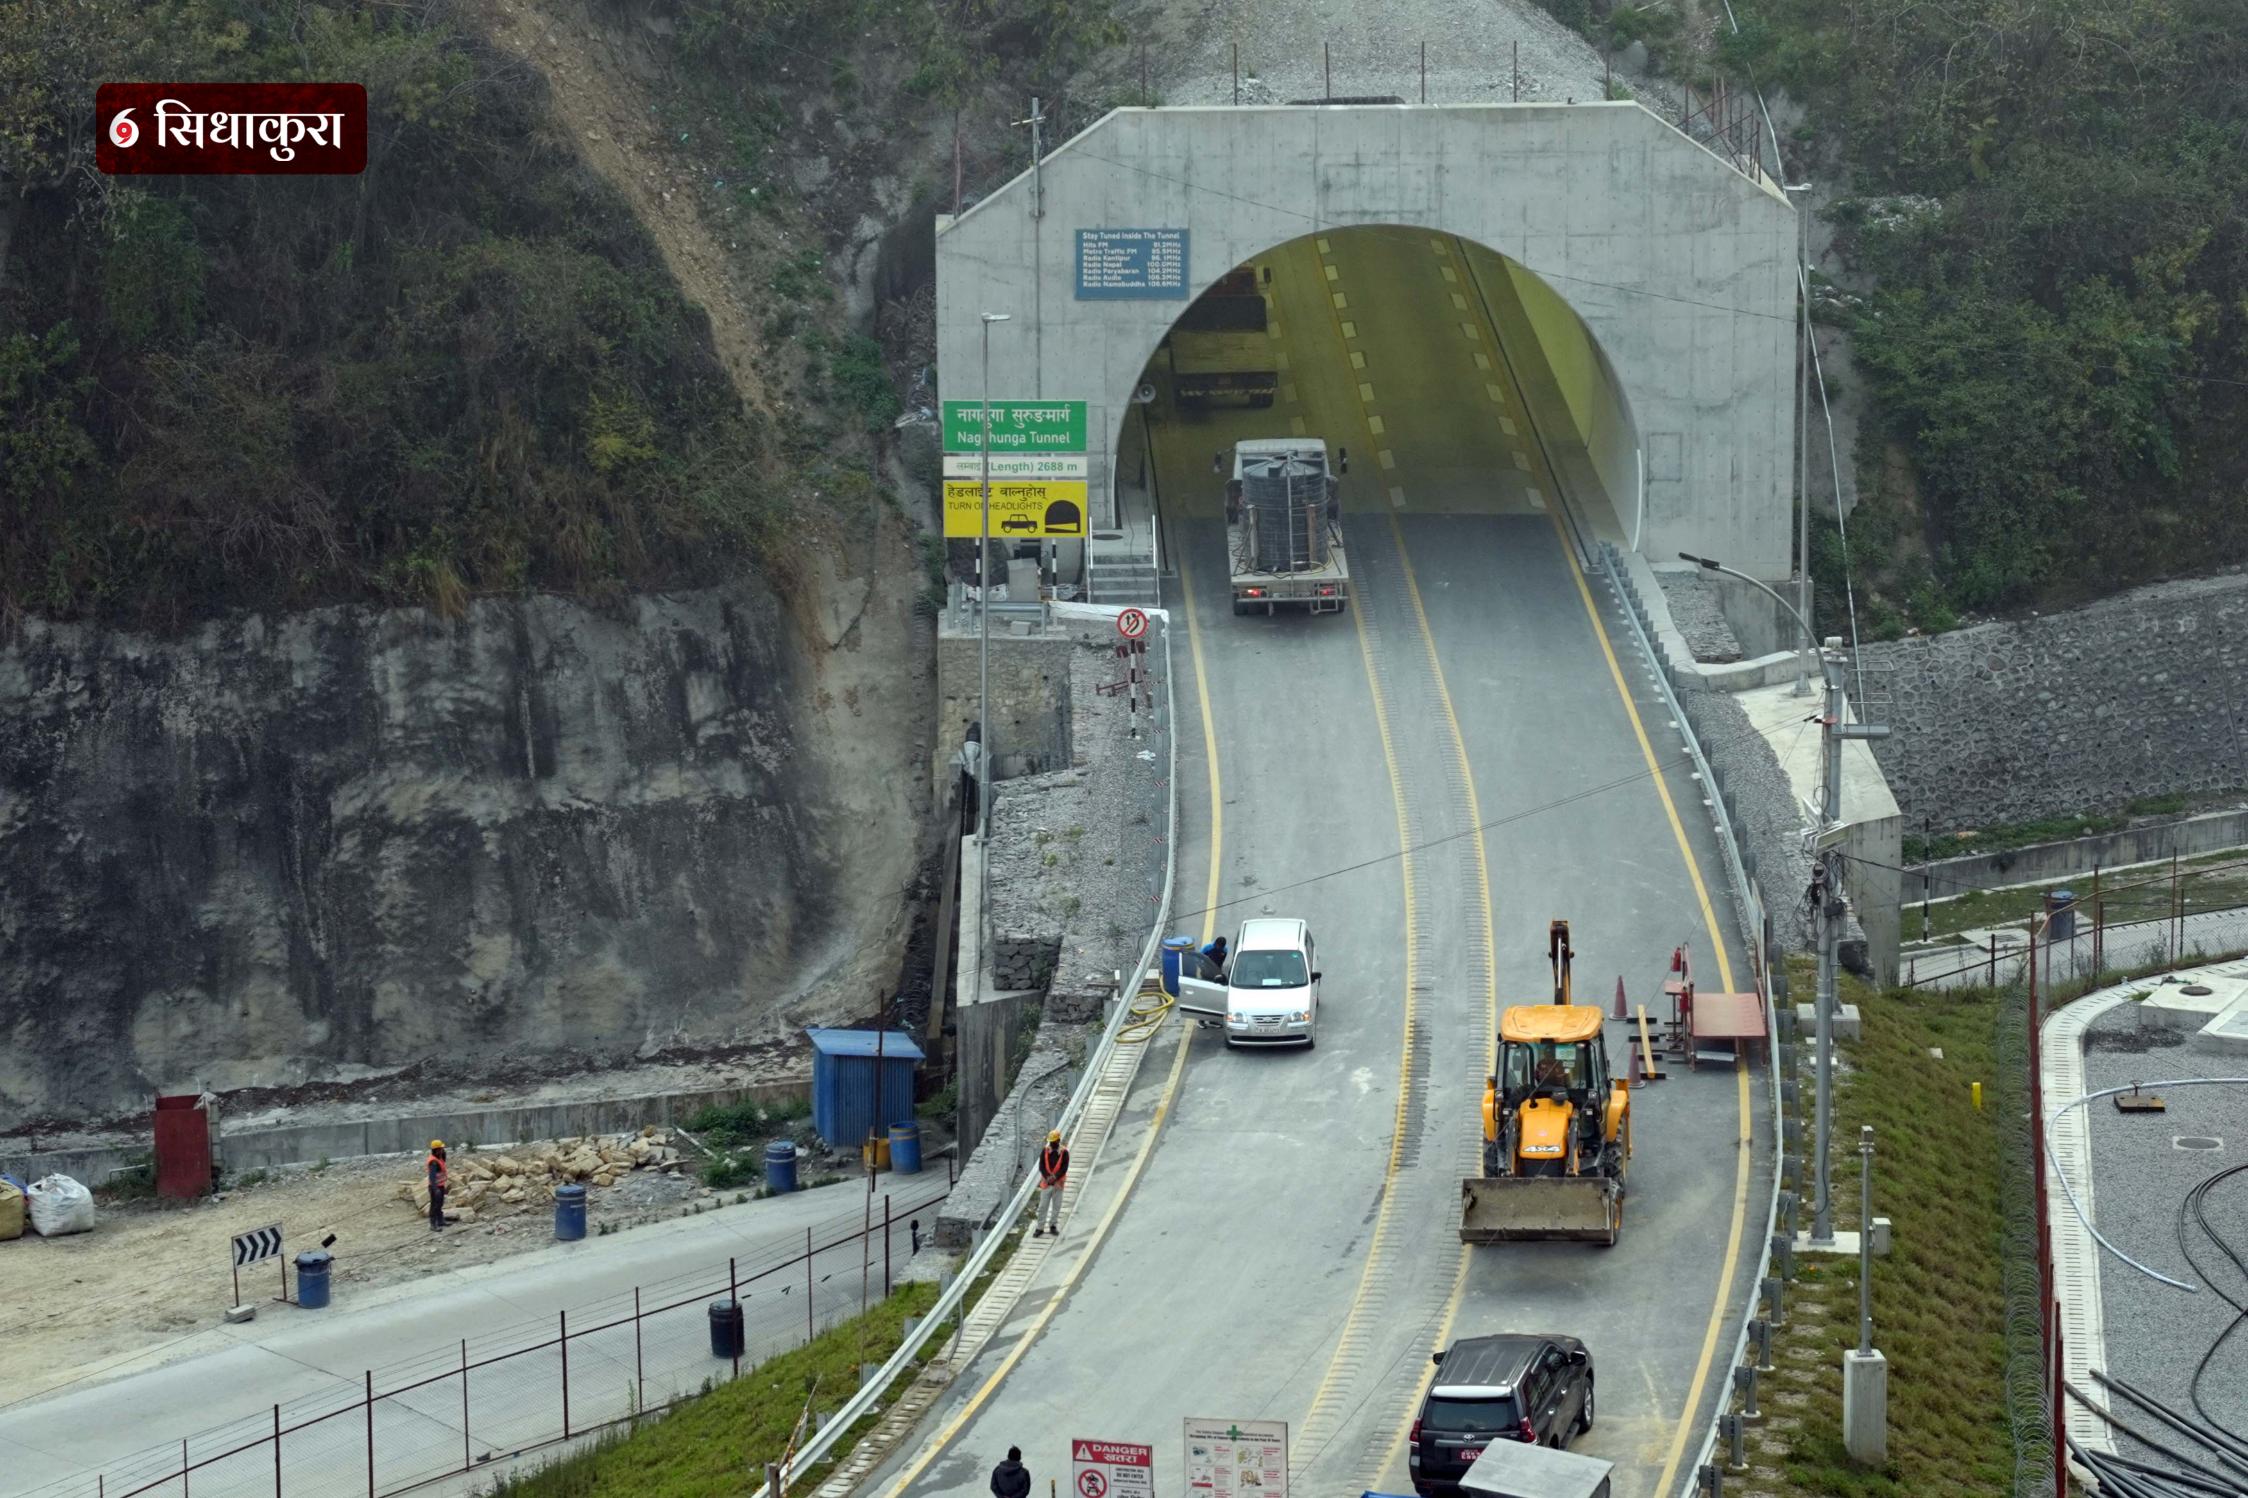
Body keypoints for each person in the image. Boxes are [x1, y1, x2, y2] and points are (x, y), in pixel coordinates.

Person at [1034, 1129, 1070, 1237]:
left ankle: (1053, 1226)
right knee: (1042, 1206)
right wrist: (1047, 1177)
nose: (1051, 1144)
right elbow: (1041, 1166)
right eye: (1050, 1142)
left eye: (1053, 1142)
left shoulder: (1064, 1152)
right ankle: (1040, 1228)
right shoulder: (1045, 1151)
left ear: (1058, 1140)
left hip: (1058, 1184)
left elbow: (1064, 1168)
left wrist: (1055, 1177)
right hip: (1046, 1184)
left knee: (1056, 1206)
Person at [426, 1140, 451, 1232]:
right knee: (434, 1205)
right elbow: (432, 1177)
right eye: (441, 1149)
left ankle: (440, 1221)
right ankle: (433, 1224)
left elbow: (444, 1159)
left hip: (440, 1185)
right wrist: (435, 1189)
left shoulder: (439, 1157)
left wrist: (443, 1152)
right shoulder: (433, 1162)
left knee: (440, 1204)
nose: (442, 1150)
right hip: (435, 1187)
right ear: (437, 1150)